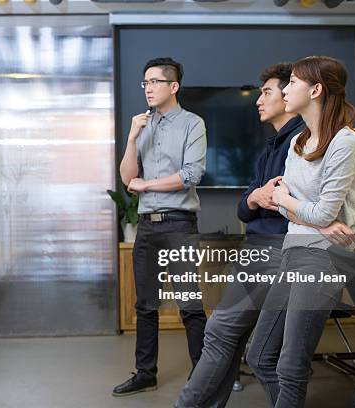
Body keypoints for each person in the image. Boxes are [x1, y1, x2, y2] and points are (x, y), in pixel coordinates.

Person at [175, 62, 305, 408]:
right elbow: (245, 208)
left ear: (290, 94)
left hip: (275, 249)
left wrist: (261, 198)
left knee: (220, 331)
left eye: (267, 92)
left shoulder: (300, 143)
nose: (258, 100)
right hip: (258, 247)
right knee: (228, 336)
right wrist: (255, 196)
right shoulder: (271, 146)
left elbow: (283, 203)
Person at [246, 55, 355, 408]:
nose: (287, 88)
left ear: (315, 90)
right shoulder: (299, 141)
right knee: (260, 356)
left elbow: (309, 206)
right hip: (294, 251)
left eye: (294, 82)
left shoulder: (345, 142)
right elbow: (282, 203)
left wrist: (300, 208)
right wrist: (314, 217)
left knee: (290, 364)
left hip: (324, 259)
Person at [113, 57, 207, 397]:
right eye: (145, 83)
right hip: (148, 228)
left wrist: (146, 185)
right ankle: (145, 373)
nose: (148, 88)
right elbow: (127, 180)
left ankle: (202, 375)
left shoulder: (193, 124)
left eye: (155, 82)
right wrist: (132, 138)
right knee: (146, 305)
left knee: (189, 304)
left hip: (179, 225)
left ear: (173, 86)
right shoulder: (143, 125)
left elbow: (190, 176)